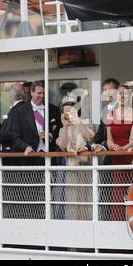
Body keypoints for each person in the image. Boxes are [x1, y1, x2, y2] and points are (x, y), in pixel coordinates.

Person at [10, 81, 62, 219]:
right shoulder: (20, 111)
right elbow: (14, 136)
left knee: (48, 194)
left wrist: (50, 135)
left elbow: (59, 132)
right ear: (32, 92)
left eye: (44, 93)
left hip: (48, 157)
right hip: (30, 158)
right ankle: (33, 222)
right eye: (39, 93)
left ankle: (47, 221)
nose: (41, 96)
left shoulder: (53, 110)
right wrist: (25, 146)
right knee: (30, 194)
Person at [0, 83, 26, 219]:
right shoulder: (26, 108)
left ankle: (13, 223)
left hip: (14, 160)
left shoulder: (16, 110)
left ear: (11, 97)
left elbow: (10, 134)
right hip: (20, 160)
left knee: (12, 195)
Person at [56, 92, 95, 220]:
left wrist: (77, 122)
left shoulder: (85, 123)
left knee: (86, 199)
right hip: (71, 170)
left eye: (70, 111)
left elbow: (90, 137)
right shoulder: (63, 129)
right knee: (72, 200)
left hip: (86, 169)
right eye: (65, 112)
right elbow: (62, 145)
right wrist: (67, 128)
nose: (68, 115)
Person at [106, 83, 133, 221]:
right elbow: (109, 139)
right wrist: (113, 146)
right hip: (117, 156)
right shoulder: (111, 114)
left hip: (131, 155)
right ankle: (117, 221)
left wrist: (124, 147)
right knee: (118, 191)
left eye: (125, 94)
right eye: (120, 93)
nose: (122, 96)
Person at [91, 78, 120, 166]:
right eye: (104, 90)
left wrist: (104, 145)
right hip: (108, 152)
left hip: (120, 150)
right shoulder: (106, 110)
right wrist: (91, 145)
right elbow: (100, 133)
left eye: (110, 90)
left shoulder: (121, 108)